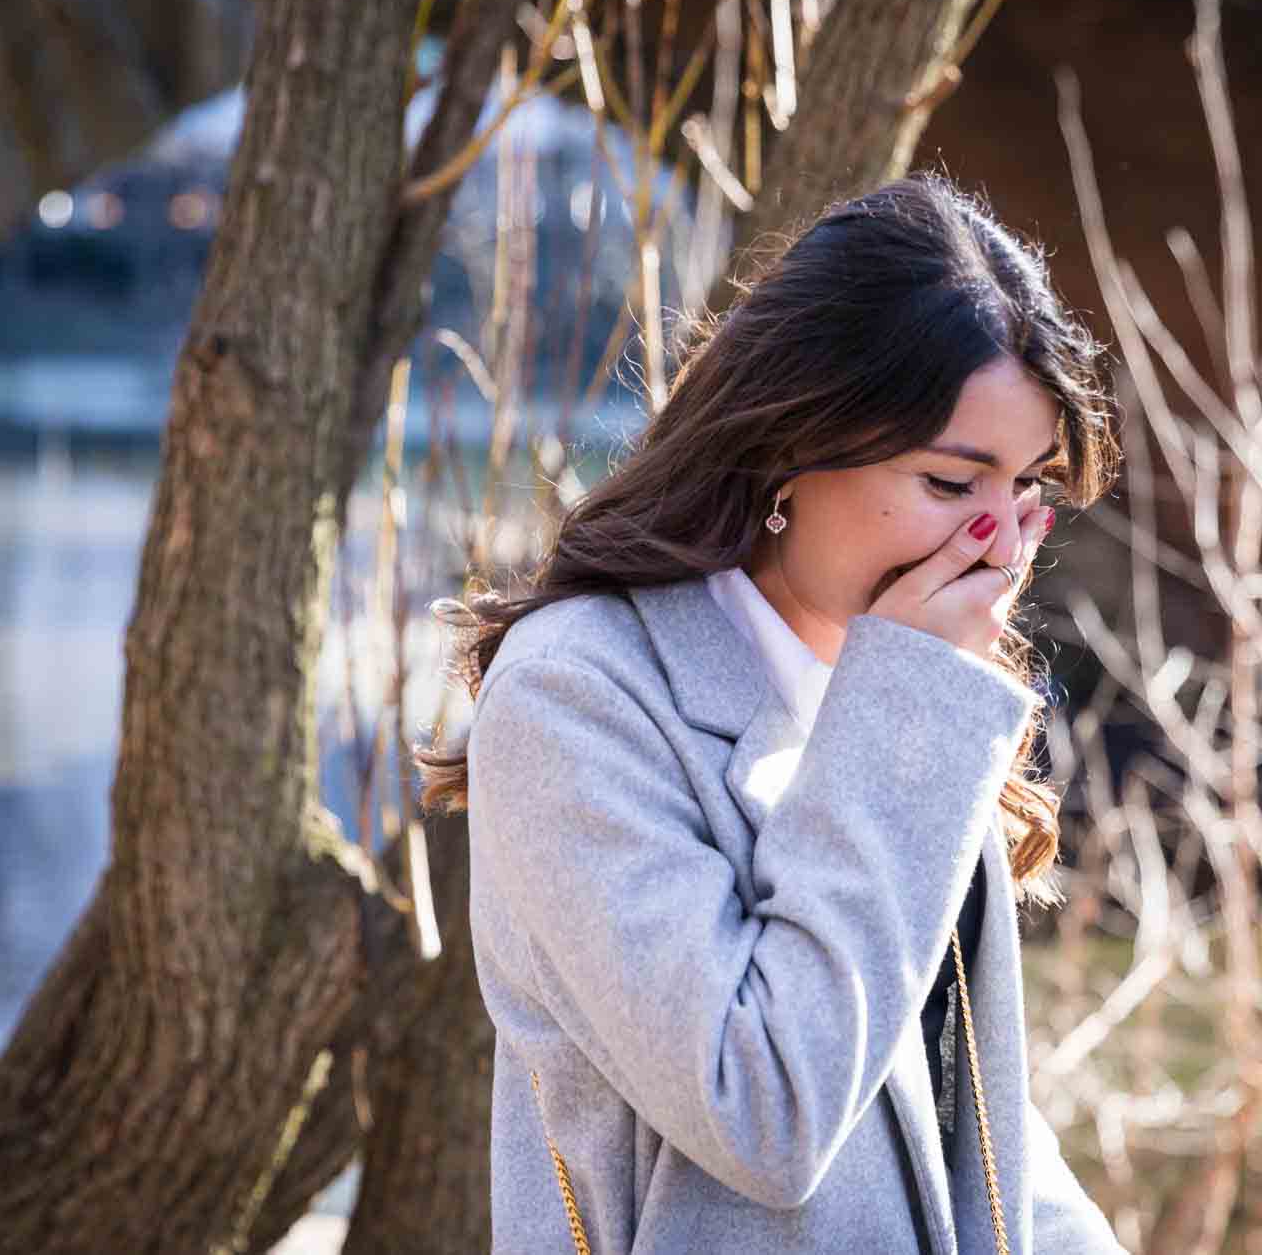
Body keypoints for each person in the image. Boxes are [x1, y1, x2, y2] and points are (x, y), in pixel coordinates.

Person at [420, 174, 1126, 1254]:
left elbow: (959, 1117)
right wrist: (908, 703)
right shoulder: (578, 697)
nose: (998, 546)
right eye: (949, 483)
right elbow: (765, 1111)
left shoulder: (893, 684)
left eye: (1023, 488)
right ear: (793, 442)